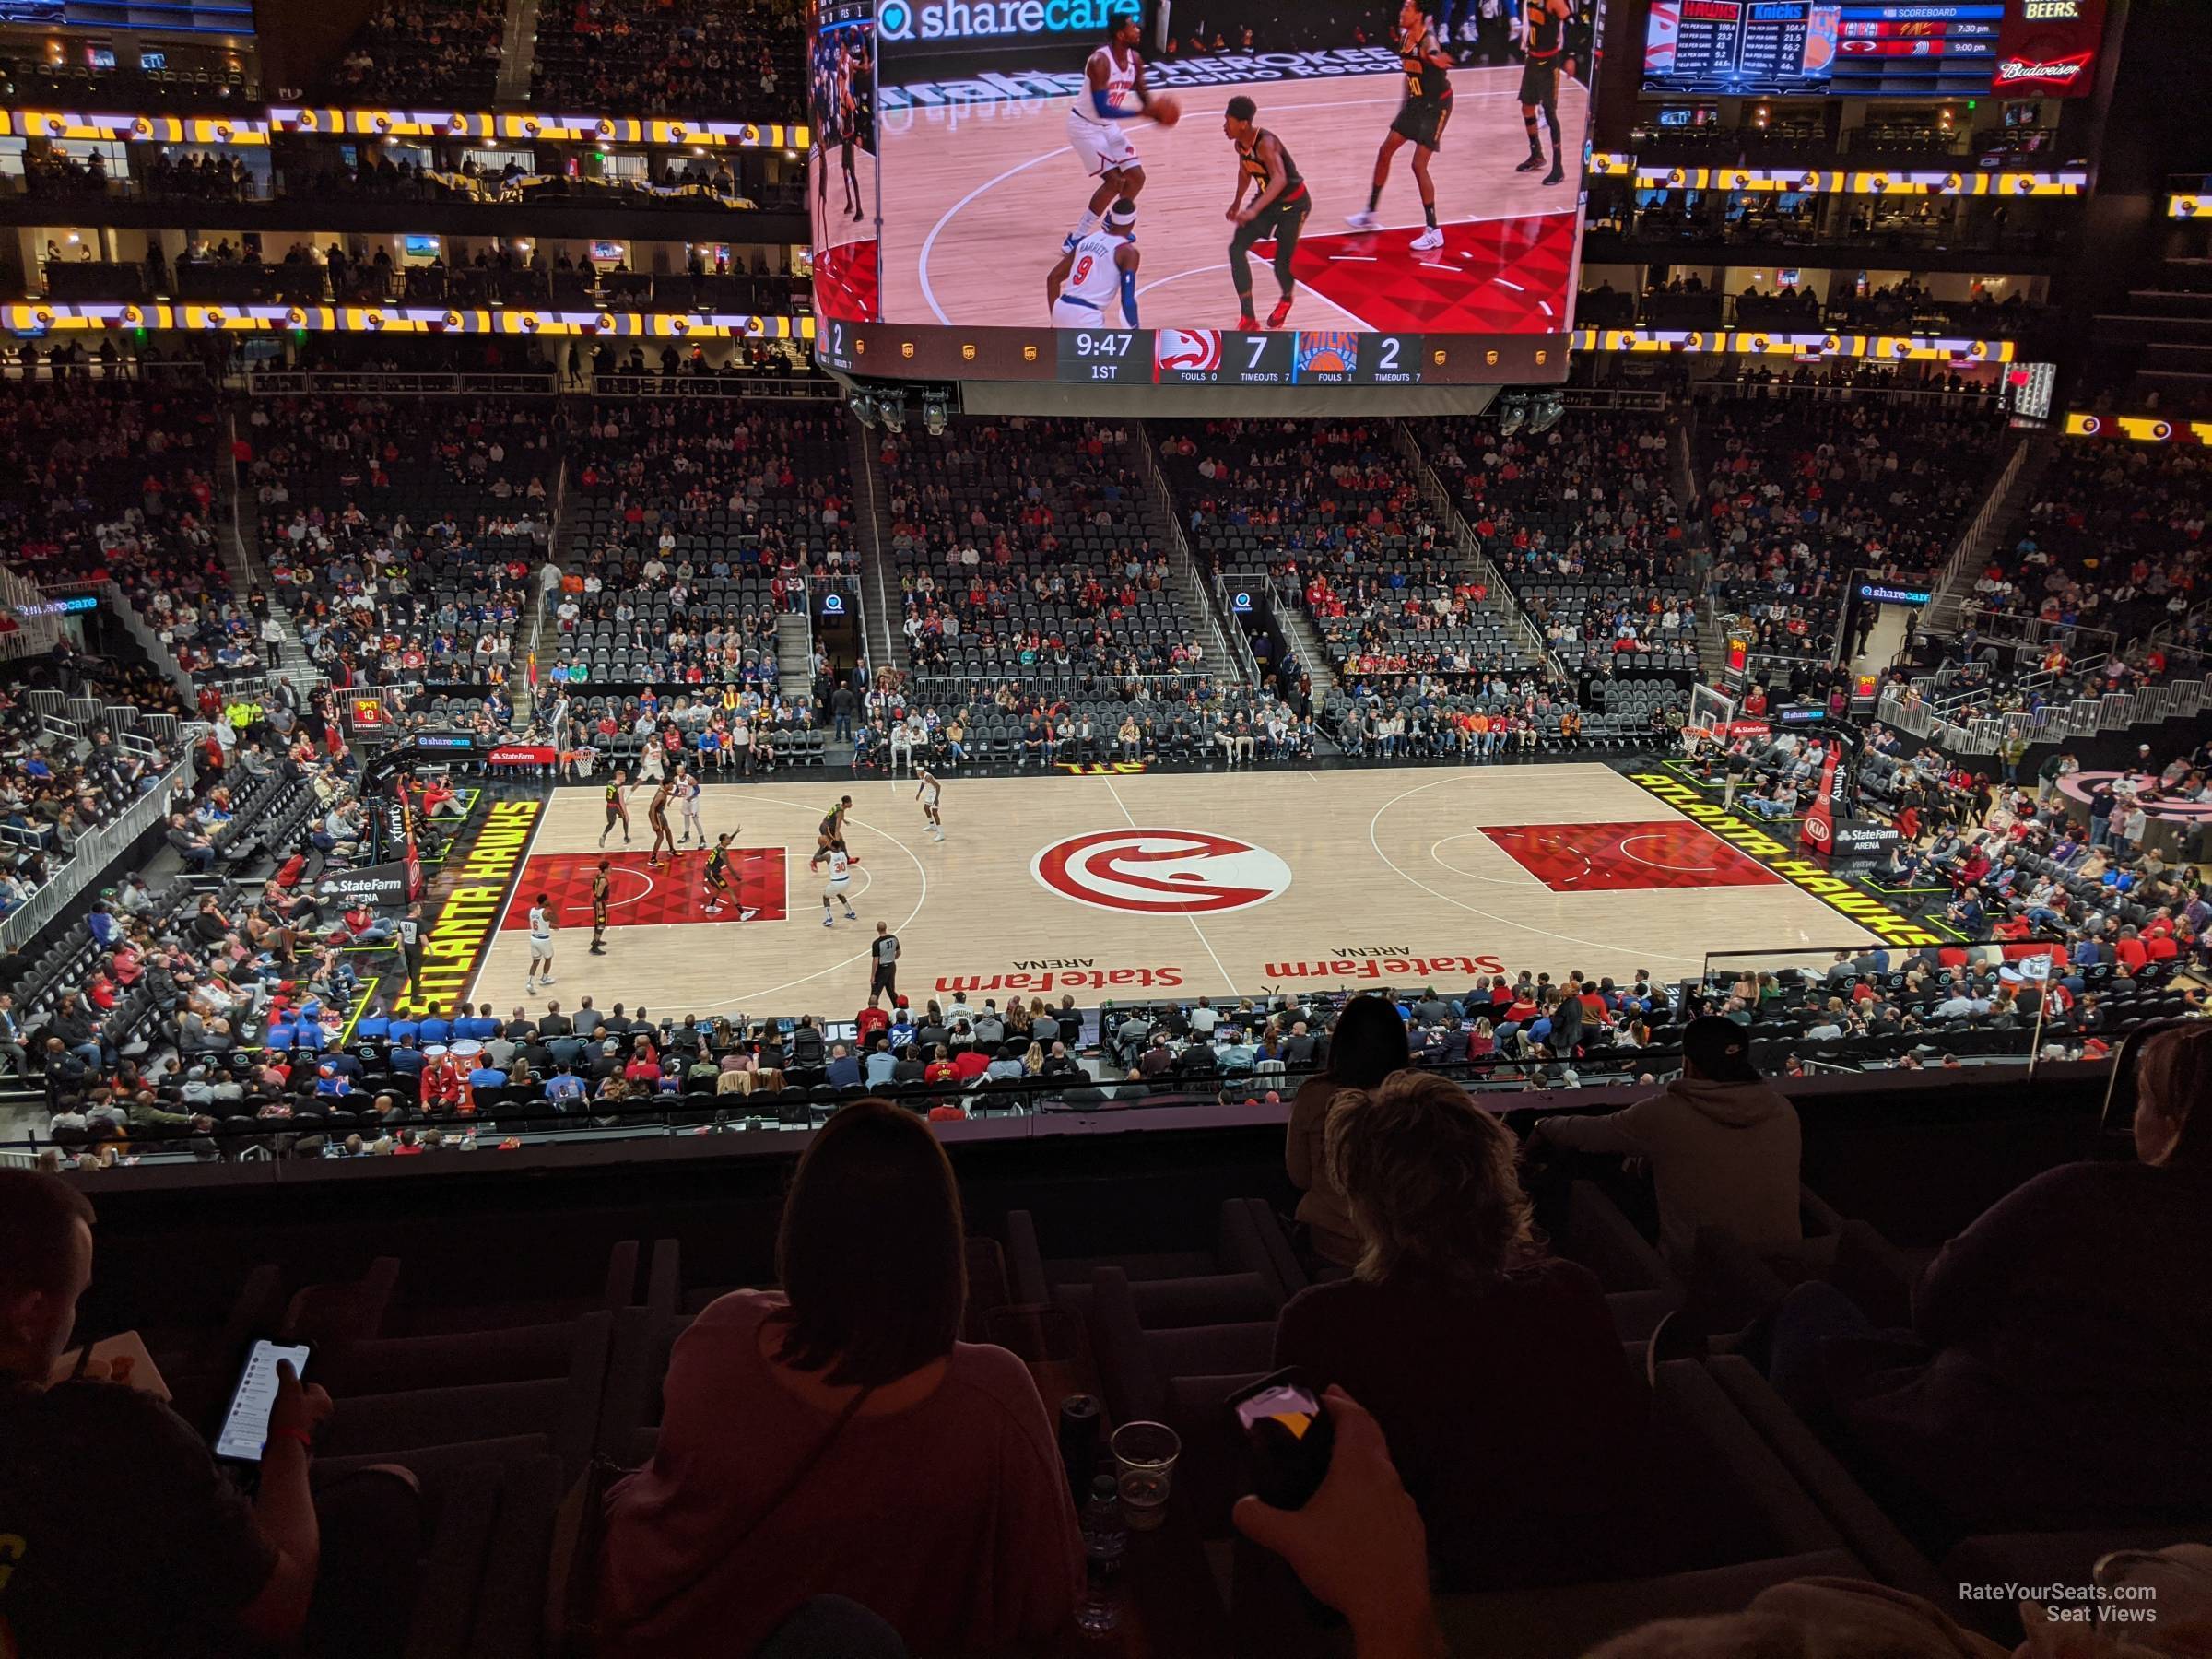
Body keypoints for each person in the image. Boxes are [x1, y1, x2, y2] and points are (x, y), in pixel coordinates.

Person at [596, 1101, 1083, 1654]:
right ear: (944, 1249)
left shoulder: (719, 1332)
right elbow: (1053, 1604)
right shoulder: (997, 1399)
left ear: (800, 1230)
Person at [1765, 1020, 2212, 1538]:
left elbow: (1933, 1309)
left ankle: (1793, 1500)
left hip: (1985, 1471)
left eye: (2143, 1100)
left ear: (2176, 1120)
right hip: (2165, 1502)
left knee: (1807, 1304)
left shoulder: (2079, 1194)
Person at [0, 1169, 421, 1658]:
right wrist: (288, 1436)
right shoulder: (108, 1430)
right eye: (77, 1298)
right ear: (30, 1314)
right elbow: (280, 1609)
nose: (75, 1319)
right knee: (383, 1495)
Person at [1271, 1071, 1641, 1589]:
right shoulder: (1572, 1292)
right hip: (1583, 1575)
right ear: (1498, 1176)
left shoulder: (1318, 1321)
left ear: (1364, 1201)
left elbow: (1284, 1450)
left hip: (1411, 1589)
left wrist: (1255, 1406)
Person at [1528, 1015, 1803, 1270]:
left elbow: (1589, 1133)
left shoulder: (1665, 1113)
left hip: (1698, 1274)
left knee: (1585, 1195)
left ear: (1688, 1062)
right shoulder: (1784, 1110)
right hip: (1788, 1268)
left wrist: (1544, 1124)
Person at [1284, 994, 1407, 1268]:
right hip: (1408, 1245)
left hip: (1333, 1244)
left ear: (1342, 1041)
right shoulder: (1425, 1095)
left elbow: (1300, 1177)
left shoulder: (1315, 1095)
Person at [1347, 0, 1454, 250]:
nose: (1402, 12)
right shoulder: (1405, 39)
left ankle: (1433, 230)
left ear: (1418, 15)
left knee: (1418, 165)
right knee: (1385, 151)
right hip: (1417, 104)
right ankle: (1370, 213)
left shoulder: (1428, 41)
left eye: (1407, 8)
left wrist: (1438, 59)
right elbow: (1410, 78)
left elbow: (1434, 53)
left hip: (1437, 107)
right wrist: (1403, 110)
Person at [1222, 95, 1310, 331]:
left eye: (1227, 120)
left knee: (1281, 264)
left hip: (1294, 205)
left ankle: (1286, 299)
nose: (1224, 125)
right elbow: (1245, 173)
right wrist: (1237, 203)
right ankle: (1248, 317)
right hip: (1269, 202)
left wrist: (1253, 211)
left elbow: (1280, 179)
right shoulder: (1241, 144)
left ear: (1242, 123)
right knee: (1236, 248)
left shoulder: (1266, 143)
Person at [1046, 199, 1143, 328]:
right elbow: (1127, 302)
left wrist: (1055, 317)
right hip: (1087, 316)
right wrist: (1136, 333)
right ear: (1133, 221)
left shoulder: (1087, 240)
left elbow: (1053, 278)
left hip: (1060, 308)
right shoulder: (1127, 252)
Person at [1514, 0, 1571, 186]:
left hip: (1549, 64)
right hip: (1533, 59)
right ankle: (1536, 154)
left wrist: (1571, 57)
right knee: (1527, 107)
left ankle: (1558, 167)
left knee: (1550, 112)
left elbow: (1573, 23)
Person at [526, 891, 559, 993]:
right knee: (548, 959)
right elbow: (556, 920)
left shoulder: (532, 911)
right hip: (544, 940)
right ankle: (544, 978)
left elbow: (541, 923)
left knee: (535, 962)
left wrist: (551, 926)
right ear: (544, 901)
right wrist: (552, 907)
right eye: (547, 900)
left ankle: (529, 983)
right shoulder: (546, 912)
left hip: (533, 938)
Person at [821, 846, 858, 928]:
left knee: (825, 897)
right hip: (846, 880)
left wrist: (822, 848)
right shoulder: (843, 854)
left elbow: (817, 857)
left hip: (837, 882)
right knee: (840, 894)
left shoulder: (829, 856)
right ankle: (851, 913)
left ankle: (829, 918)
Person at [869, 921, 900, 1006]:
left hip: (882, 969)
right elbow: (899, 952)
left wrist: (872, 976)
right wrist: (892, 959)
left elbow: (875, 961)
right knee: (891, 990)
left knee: (875, 992)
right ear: (886, 928)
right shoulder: (894, 938)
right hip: (892, 967)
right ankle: (897, 1008)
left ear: (877, 929)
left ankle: (871, 1011)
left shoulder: (877, 943)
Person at [601, 768, 632, 847]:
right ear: (619, 776)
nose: (625, 778)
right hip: (616, 806)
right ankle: (626, 837)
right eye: (624, 776)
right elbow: (622, 802)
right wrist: (626, 814)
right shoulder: (621, 788)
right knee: (625, 818)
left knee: (611, 823)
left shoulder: (610, 782)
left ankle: (603, 835)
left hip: (609, 806)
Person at [915, 767, 945, 841]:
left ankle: (941, 834)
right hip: (930, 793)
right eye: (917, 771)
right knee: (926, 808)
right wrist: (919, 793)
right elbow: (923, 783)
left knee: (935, 812)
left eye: (919, 771)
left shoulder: (928, 777)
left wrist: (936, 799)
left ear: (923, 771)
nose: (918, 773)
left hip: (934, 793)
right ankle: (932, 825)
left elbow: (938, 786)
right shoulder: (921, 776)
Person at [591, 859, 613, 955]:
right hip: (600, 904)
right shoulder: (603, 880)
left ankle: (596, 940)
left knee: (599, 923)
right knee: (601, 924)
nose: (611, 869)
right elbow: (599, 895)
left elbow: (594, 887)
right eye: (609, 868)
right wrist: (600, 908)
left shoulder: (599, 876)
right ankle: (594, 947)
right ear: (605, 869)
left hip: (599, 902)